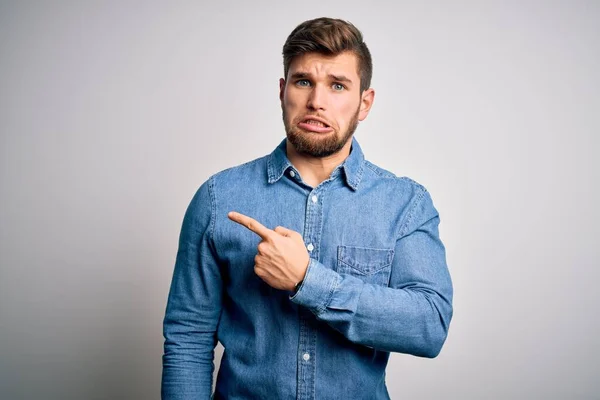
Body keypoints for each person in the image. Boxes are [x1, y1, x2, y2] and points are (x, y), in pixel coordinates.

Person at [161, 17, 453, 400]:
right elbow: (188, 338)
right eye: (303, 82)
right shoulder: (219, 198)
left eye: (337, 85)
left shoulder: (404, 204)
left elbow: (429, 326)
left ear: (364, 102)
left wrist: (308, 280)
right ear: (283, 91)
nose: (317, 101)